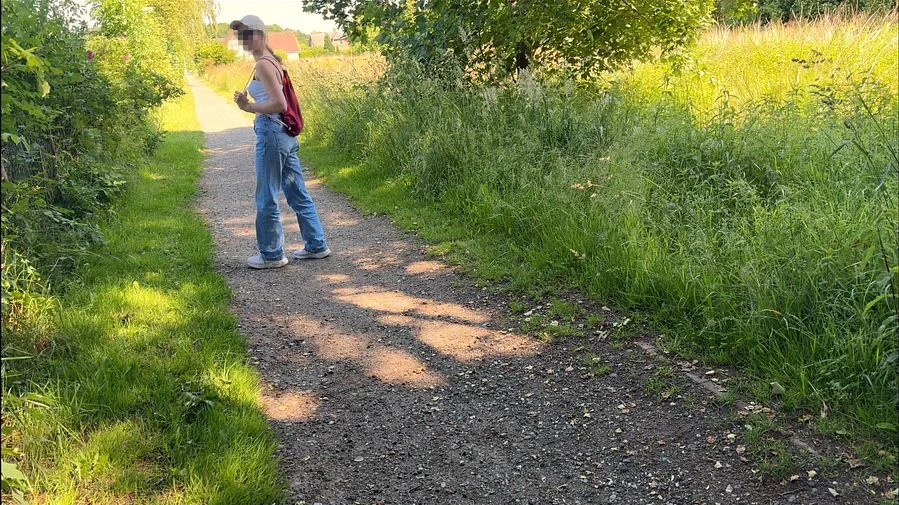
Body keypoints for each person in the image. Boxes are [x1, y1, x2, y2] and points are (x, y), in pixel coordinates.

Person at [230, 15, 330, 269]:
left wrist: (248, 106)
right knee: (297, 191)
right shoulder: (272, 61)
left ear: (262, 34)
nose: (244, 39)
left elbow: (279, 104)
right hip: (284, 133)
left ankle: (272, 254)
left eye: (249, 33)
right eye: (241, 35)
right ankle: (316, 245)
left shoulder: (264, 64)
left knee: (267, 194)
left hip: (272, 131)